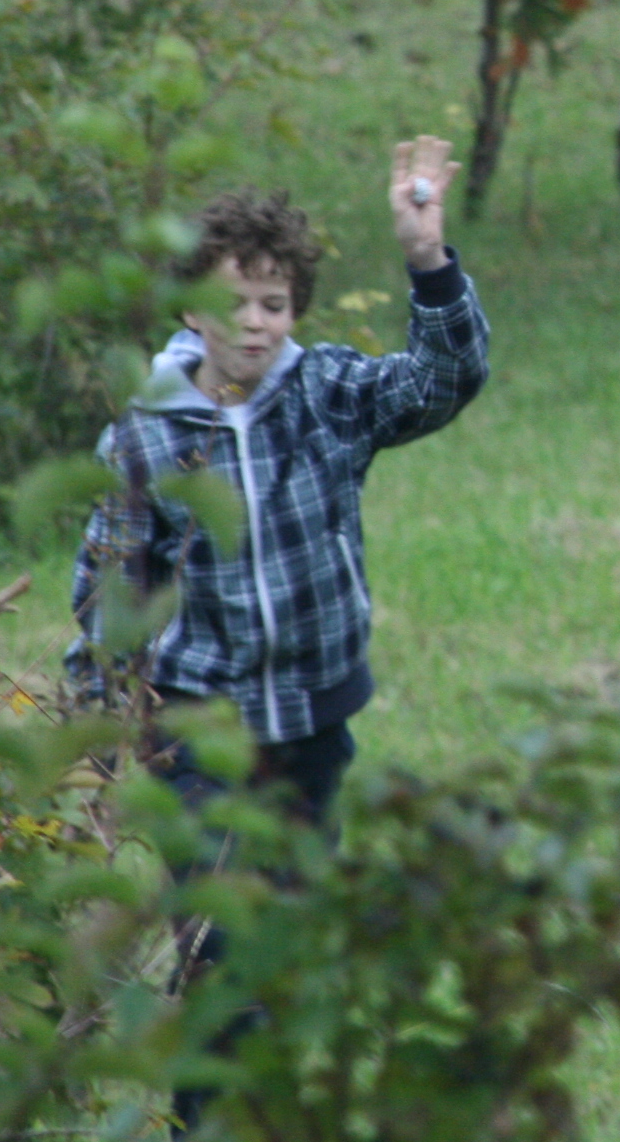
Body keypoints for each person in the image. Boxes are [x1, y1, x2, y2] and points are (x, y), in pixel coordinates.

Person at [66, 139, 489, 1123]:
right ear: (189, 309)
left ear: (295, 310)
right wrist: (99, 715)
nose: (252, 324)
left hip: (311, 724)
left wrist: (426, 257)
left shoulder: (328, 393)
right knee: (224, 948)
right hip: (199, 732)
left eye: (273, 303)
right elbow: (110, 579)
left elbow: (445, 378)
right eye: (231, 303)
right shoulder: (150, 432)